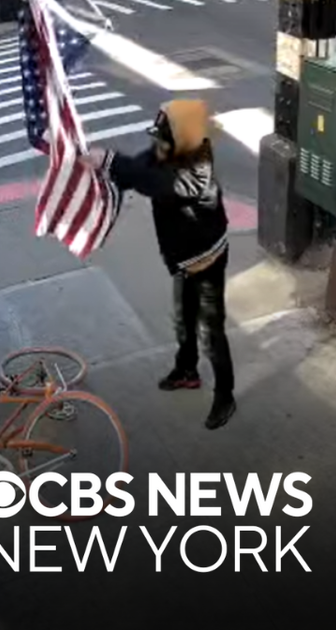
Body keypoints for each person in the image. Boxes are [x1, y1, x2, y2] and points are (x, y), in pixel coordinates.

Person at [82, 99, 236, 430]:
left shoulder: (197, 167)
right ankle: (187, 370)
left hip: (206, 257)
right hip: (183, 257)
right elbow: (141, 168)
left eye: (164, 133)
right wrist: (103, 166)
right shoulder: (170, 149)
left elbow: (161, 185)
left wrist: (112, 162)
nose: (158, 141)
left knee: (212, 330)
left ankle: (225, 395)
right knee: (183, 318)